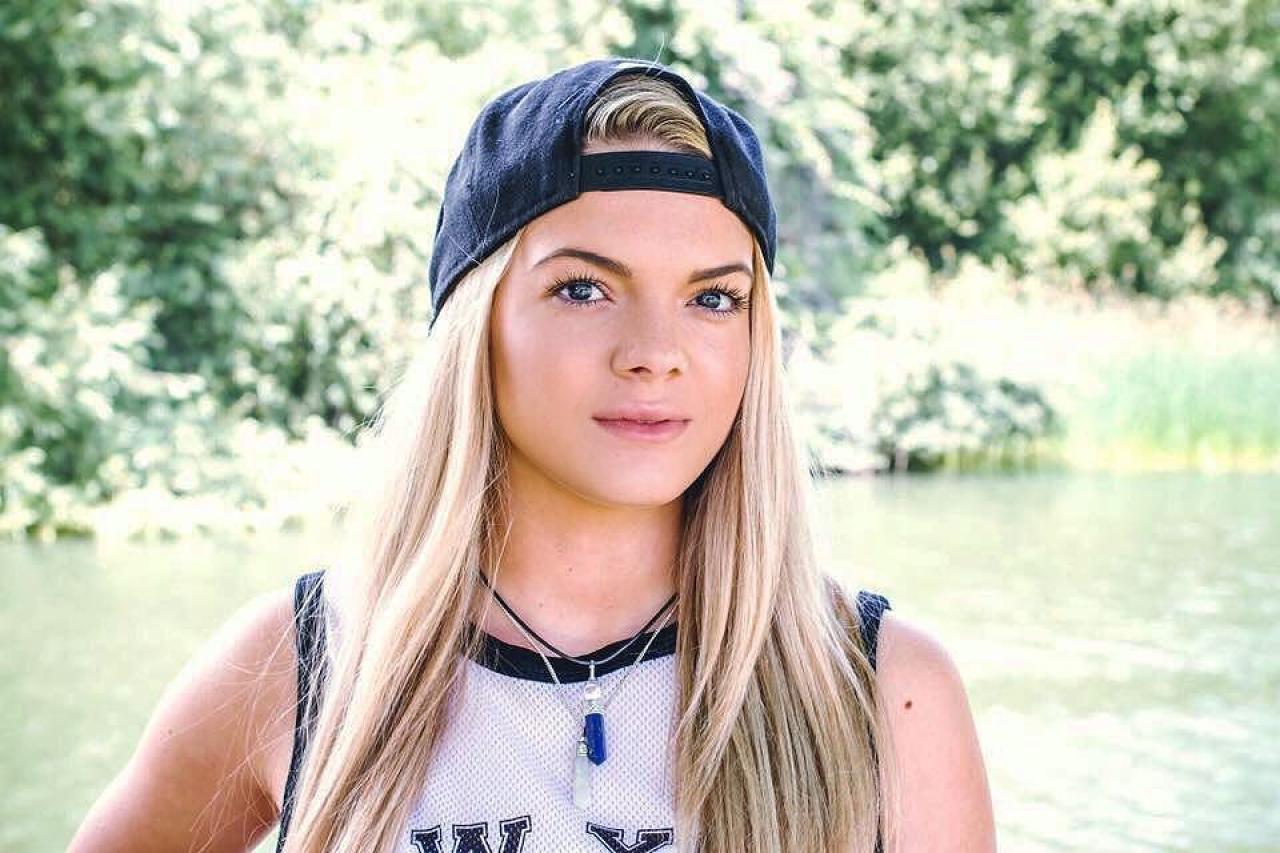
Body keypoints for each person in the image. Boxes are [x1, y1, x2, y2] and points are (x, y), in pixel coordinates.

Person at [68, 57, 995, 853]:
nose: (655, 352)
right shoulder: (303, 663)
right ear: (475, 325)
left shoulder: (881, 686)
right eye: (585, 288)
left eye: (712, 298)